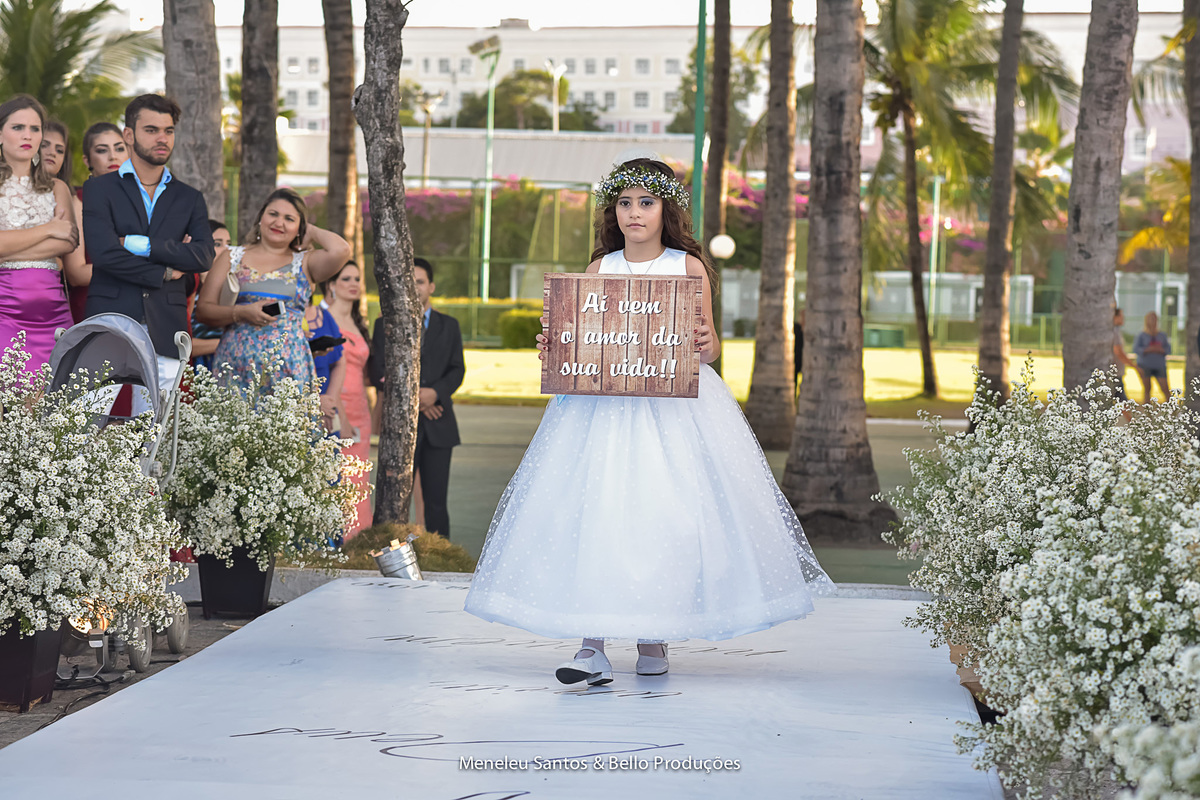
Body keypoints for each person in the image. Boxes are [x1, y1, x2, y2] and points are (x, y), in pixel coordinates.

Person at [464, 158, 833, 685]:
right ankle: (591, 647)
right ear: (612, 212)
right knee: (597, 512)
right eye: (624, 203)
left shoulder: (687, 267)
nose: (634, 213)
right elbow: (580, 339)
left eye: (646, 202)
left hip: (673, 414)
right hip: (600, 416)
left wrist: (706, 342)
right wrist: (557, 344)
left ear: (666, 210)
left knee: (663, 515)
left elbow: (709, 346)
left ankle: (653, 634)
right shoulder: (600, 269)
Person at [82, 94, 215, 412]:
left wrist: (137, 244)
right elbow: (103, 254)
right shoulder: (100, 189)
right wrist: (165, 270)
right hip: (110, 317)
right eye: (151, 130)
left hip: (166, 325)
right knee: (85, 420)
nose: (162, 138)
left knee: (155, 429)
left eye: (168, 131)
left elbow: (203, 256)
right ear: (129, 135)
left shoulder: (190, 198)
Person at [196, 188, 351, 392]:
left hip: (289, 372)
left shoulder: (305, 262)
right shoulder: (231, 256)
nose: (279, 223)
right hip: (236, 368)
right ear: (261, 218)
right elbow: (204, 310)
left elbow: (341, 250)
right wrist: (240, 312)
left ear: (299, 227)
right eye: (273, 214)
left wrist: (310, 231)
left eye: (289, 219)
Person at [370, 257, 464, 539]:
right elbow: (378, 370)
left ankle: (440, 553)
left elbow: (457, 370)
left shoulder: (449, 325)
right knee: (393, 502)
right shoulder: (384, 325)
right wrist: (416, 398)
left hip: (438, 423)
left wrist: (434, 394)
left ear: (431, 286)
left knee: (436, 502)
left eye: (420, 282)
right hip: (398, 427)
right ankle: (388, 551)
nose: (414, 287)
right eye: (408, 282)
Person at [0, 95, 82, 372]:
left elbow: (68, 241)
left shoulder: (57, 187)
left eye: (35, 129)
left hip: (54, 314)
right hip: (4, 310)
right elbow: (57, 235)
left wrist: (7, 250)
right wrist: (48, 229)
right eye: (18, 127)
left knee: (56, 393)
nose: (28, 135)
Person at [323, 260, 374, 535]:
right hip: (336, 409)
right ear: (331, 285)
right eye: (346, 279)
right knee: (339, 481)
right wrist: (340, 415)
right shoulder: (323, 319)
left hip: (362, 411)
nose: (353, 284)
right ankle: (339, 542)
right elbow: (329, 369)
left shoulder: (358, 322)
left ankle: (359, 542)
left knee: (360, 482)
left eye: (356, 279)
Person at [65, 122, 129, 323]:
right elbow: (76, 274)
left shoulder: (143, 199)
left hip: (139, 311)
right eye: (102, 150)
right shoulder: (79, 201)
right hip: (93, 310)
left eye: (119, 148)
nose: (113, 156)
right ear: (87, 160)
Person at [189, 219, 230, 371]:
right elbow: (178, 343)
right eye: (218, 244)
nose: (226, 250)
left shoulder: (233, 286)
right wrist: (227, 343)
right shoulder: (189, 286)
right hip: (196, 368)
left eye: (229, 244)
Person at [305, 291, 345, 431]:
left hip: (327, 412)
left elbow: (340, 362)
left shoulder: (324, 315)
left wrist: (329, 403)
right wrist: (315, 402)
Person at [1133, 311, 1171, 403]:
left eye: (1154, 319)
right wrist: (1148, 349)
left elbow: (1168, 349)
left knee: (1165, 389)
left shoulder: (1162, 335)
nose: (1153, 321)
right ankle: (1147, 409)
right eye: (1150, 319)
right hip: (1145, 365)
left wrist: (1161, 350)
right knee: (1147, 390)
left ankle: (1172, 408)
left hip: (1159, 365)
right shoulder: (1141, 335)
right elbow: (1136, 349)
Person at [1110, 307, 1138, 404]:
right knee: (1123, 402)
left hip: (1116, 372)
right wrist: (1134, 366)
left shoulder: (1115, 331)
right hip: (1114, 373)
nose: (1123, 318)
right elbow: (1118, 352)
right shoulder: (1114, 332)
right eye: (1121, 315)